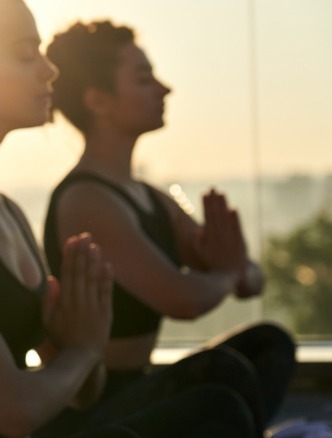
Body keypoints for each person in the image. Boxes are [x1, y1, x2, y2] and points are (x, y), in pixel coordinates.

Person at [0, 2, 257, 437]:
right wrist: (81, 351)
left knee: (238, 373)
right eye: (26, 54)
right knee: (217, 409)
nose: (49, 72)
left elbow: (81, 392)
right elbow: (13, 412)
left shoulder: (5, 211)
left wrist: (76, 342)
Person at [43, 20, 296, 435]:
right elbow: (183, 298)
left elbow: (249, 278)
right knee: (221, 382)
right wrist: (230, 272)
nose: (164, 90)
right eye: (144, 80)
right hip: (92, 406)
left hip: (139, 386)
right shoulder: (87, 201)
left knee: (271, 343)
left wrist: (232, 268)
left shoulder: (149, 196)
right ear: (98, 101)